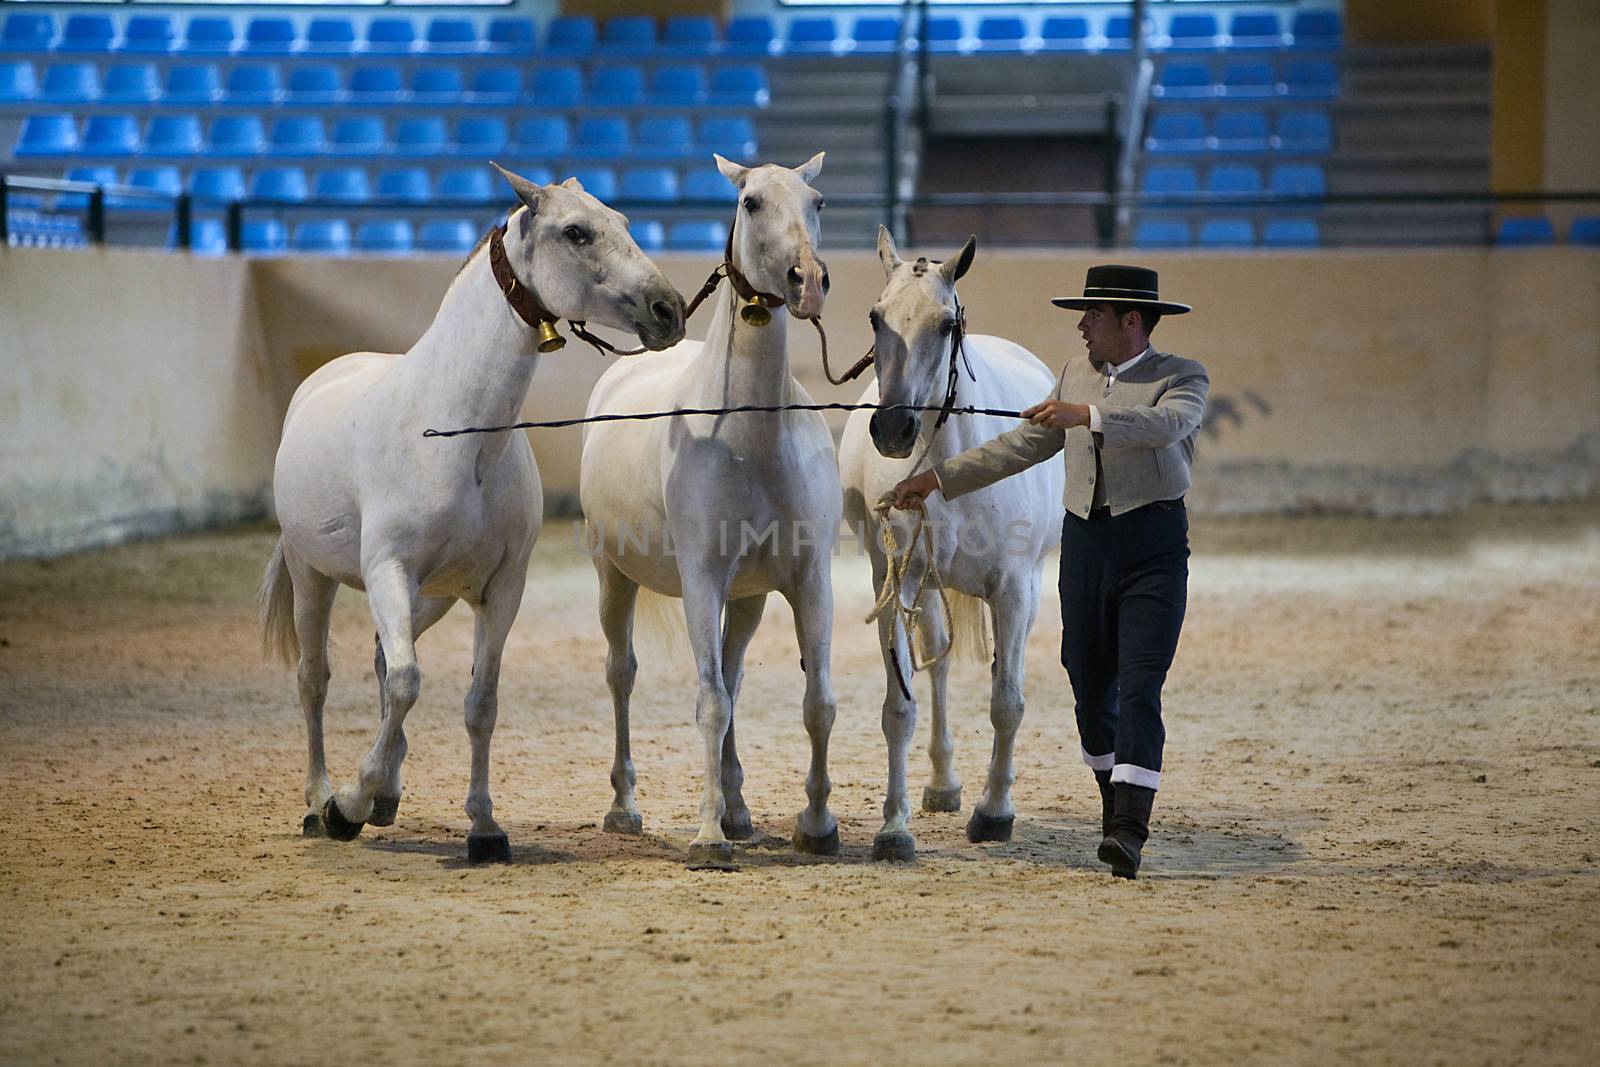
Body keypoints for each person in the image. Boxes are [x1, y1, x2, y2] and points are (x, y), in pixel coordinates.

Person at [891, 264, 1208, 879]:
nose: (1082, 325)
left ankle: (1129, 829)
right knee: (1087, 685)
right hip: (1087, 543)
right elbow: (1022, 446)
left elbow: (1166, 427)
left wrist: (1086, 416)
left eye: (1093, 315)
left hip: (1154, 547)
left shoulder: (1181, 378)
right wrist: (935, 479)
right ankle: (1114, 802)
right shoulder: (1076, 375)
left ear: (1131, 320)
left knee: (1139, 685)